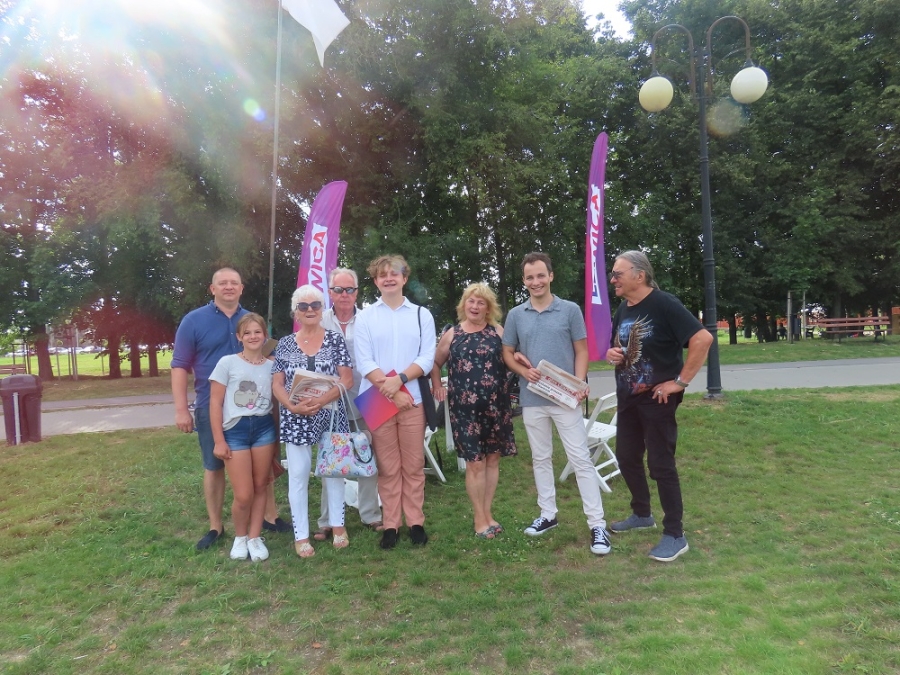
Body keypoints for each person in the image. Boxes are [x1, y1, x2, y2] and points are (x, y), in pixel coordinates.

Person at [501, 252, 611, 556]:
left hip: (565, 398)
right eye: (530, 277)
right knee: (541, 458)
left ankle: (597, 525)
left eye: (540, 275)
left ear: (551, 276)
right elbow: (507, 352)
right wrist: (523, 371)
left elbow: (581, 351)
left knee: (580, 459)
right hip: (532, 398)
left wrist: (579, 383)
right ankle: (547, 515)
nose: (535, 281)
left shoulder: (570, 310)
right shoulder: (516, 315)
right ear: (524, 281)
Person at [605, 250, 712, 562]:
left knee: (661, 464)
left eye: (618, 274)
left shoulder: (665, 304)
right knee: (626, 457)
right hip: (628, 398)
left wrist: (680, 382)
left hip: (658, 400)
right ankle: (642, 514)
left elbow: (702, 339)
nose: (613, 279)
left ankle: (675, 534)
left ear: (639, 275)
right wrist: (614, 354)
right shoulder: (623, 308)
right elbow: (619, 346)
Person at [171, 267, 288, 551]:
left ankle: (269, 517)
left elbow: (271, 361)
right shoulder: (193, 320)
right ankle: (216, 526)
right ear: (213, 289)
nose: (228, 287)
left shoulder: (251, 321)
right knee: (214, 466)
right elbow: (179, 365)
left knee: (262, 469)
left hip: (255, 412)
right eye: (222, 283)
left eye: (234, 283)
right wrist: (181, 409)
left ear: (241, 288)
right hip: (210, 403)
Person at [355, 254, 436, 549]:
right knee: (388, 468)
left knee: (413, 466)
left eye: (394, 273)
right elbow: (364, 361)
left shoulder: (421, 315)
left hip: (413, 400)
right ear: (376, 281)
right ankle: (391, 525)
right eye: (383, 274)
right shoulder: (365, 317)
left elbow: (426, 358)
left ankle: (415, 522)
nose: (389, 278)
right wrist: (392, 391)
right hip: (377, 400)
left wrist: (399, 380)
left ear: (404, 278)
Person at [272, 286, 354, 558]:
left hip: (331, 414)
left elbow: (346, 379)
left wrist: (322, 400)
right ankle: (301, 535)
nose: (310, 310)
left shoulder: (335, 339)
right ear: (295, 311)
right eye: (303, 306)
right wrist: (291, 406)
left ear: (322, 309)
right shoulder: (285, 343)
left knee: (333, 471)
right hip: (295, 416)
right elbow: (277, 383)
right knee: (298, 474)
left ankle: (338, 526)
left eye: (315, 305)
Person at [432, 283, 517, 538]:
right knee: (475, 464)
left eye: (481, 302)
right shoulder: (453, 334)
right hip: (465, 412)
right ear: (464, 305)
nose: (475, 306)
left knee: (492, 461)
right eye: (471, 301)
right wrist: (437, 385)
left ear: (488, 308)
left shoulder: (498, 332)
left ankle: (488, 513)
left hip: (496, 407)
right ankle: (479, 518)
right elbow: (435, 363)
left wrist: (521, 360)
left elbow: (512, 358)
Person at [313, 268, 384, 541]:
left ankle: (371, 514)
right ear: (330, 292)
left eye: (349, 289)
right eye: (338, 290)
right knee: (330, 456)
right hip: (331, 399)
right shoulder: (319, 319)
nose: (344, 295)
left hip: (368, 394)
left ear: (357, 292)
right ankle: (327, 520)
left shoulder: (368, 320)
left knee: (369, 454)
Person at [208, 313, 278, 562]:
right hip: (235, 430)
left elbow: (277, 401)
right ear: (239, 337)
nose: (252, 336)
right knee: (244, 494)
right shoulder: (227, 363)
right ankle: (240, 536)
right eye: (247, 332)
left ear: (265, 335)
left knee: (260, 486)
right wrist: (219, 440)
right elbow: (215, 403)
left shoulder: (272, 367)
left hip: (263, 429)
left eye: (257, 332)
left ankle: (254, 537)